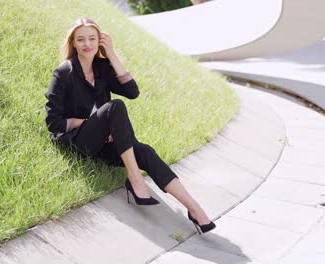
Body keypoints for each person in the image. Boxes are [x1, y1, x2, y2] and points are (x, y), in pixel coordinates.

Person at [44, 18, 215, 234]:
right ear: (74, 43)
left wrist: (113, 55)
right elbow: (53, 122)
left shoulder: (103, 68)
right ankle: (135, 179)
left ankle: (194, 209)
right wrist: (96, 125)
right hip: (78, 141)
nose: (87, 44)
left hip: (103, 145)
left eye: (92, 39)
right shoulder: (64, 72)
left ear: (100, 42)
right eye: (81, 39)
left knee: (145, 152)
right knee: (115, 107)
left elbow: (132, 92)